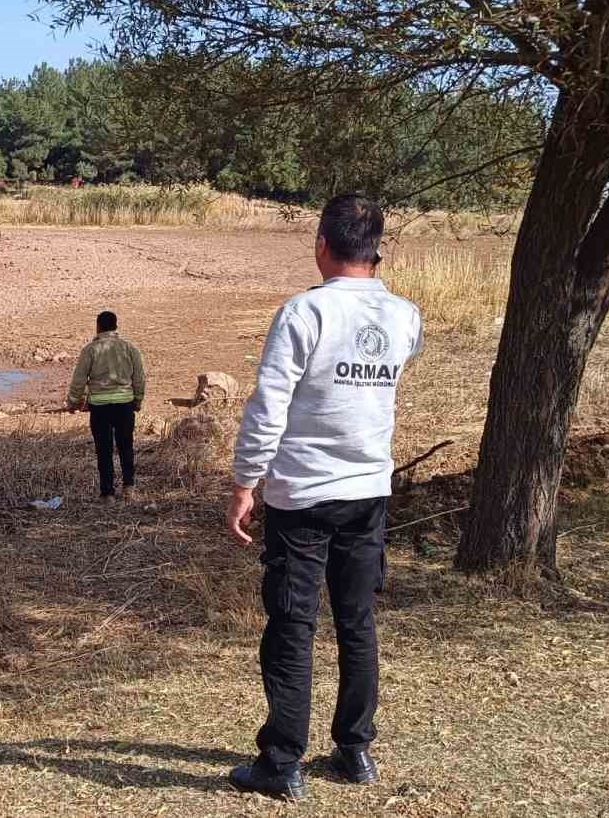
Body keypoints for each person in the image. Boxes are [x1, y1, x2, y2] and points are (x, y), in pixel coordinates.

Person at [224, 193, 422, 801]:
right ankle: (355, 749)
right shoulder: (404, 316)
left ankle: (282, 762)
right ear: (377, 249)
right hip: (368, 491)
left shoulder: (303, 314)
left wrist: (243, 483)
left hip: (304, 494)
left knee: (292, 623)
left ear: (321, 245)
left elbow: (269, 406)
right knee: (357, 621)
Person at [67, 310, 146, 501]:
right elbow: (139, 377)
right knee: (126, 445)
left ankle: (107, 493)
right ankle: (129, 488)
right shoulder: (129, 348)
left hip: (99, 406)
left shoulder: (90, 350)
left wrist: (74, 401)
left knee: (104, 450)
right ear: (116, 326)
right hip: (125, 404)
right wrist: (138, 399)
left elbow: (78, 380)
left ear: (98, 327)